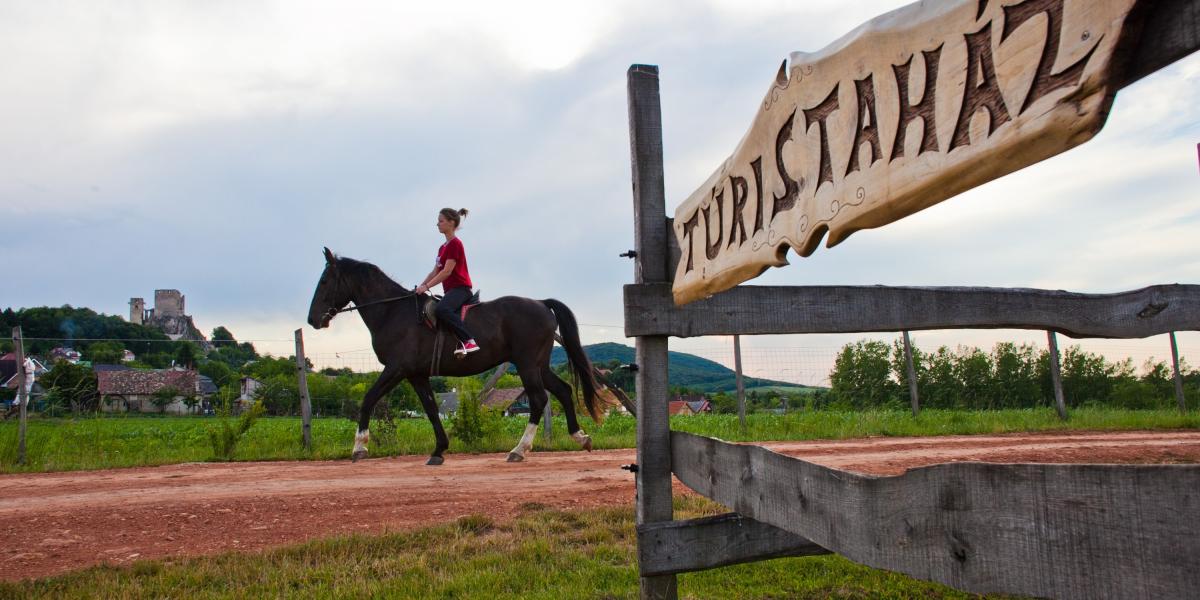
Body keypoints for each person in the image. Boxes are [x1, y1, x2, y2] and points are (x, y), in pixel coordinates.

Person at [415, 208, 480, 356]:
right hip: (450, 291)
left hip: (461, 289)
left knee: (442, 310)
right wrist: (421, 286)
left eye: (441, 221)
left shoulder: (455, 244)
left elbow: (447, 271)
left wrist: (426, 286)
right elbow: (435, 272)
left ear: (451, 223)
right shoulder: (442, 248)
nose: (437, 224)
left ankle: (469, 340)